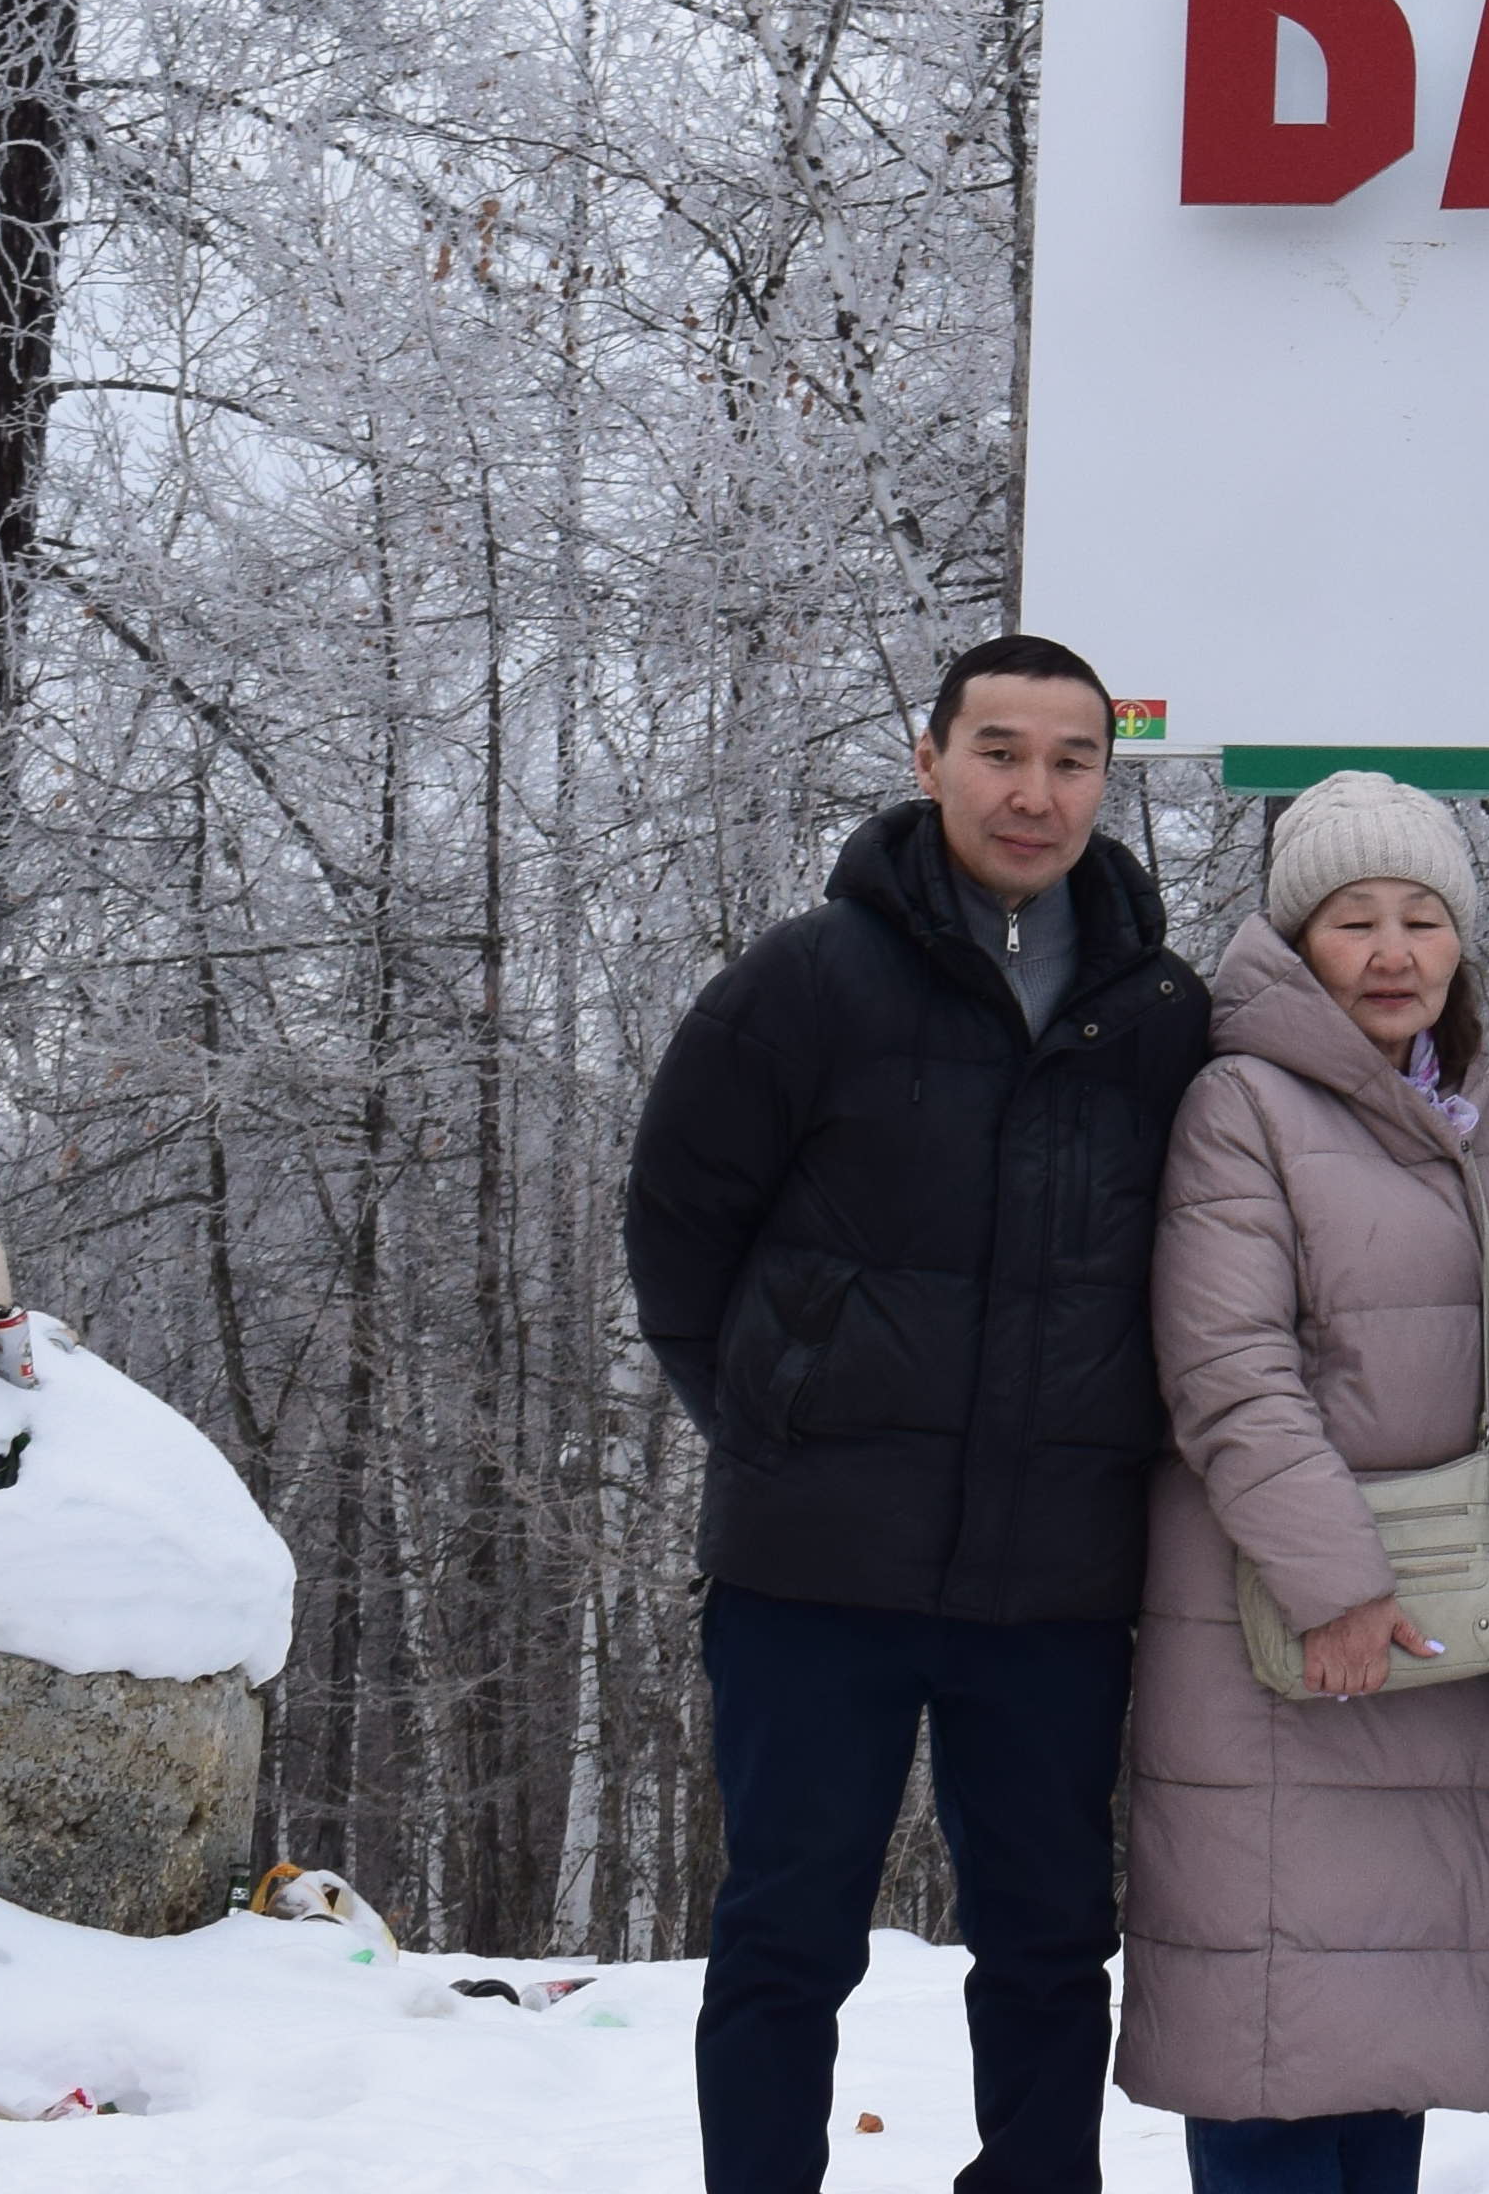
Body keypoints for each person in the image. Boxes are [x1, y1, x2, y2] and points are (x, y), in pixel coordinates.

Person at [624, 632, 1210, 2194]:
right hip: (815, 1569)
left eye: (1072, 761)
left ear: (1106, 782)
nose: (1034, 791)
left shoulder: (1160, 1014)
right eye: (1000, 752)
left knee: (1050, 1938)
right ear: (930, 758)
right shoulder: (808, 980)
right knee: (786, 1933)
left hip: (1059, 1578)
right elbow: (678, 1230)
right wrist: (774, 1423)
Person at [1115, 771, 1489, 2192]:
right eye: (1355, 920)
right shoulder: (1241, 1102)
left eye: (1424, 917)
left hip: (1450, 1631)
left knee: (1385, 2035)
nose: (1393, 951)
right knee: (1277, 2030)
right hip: (1286, 1626)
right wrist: (1338, 1584)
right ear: (1299, 942)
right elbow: (1226, 1366)